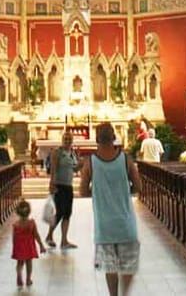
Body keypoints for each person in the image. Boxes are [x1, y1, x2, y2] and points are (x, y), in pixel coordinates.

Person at [80, 122, 142, 296]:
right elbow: (138, 187)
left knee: (110, 266)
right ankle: (124, 294)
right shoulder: (126, 159)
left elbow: (83, 191)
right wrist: (122, 189)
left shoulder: (90, 162)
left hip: (104, 224)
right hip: (125, 221)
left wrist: (99, 191)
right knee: (128, 265)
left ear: (96, 139)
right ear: (114, 137)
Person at [46, 130, 79, 249]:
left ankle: (64, 240)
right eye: (65, 139)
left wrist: (81, 165)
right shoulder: (57, 152)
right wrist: (52, 183)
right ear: (62, 140)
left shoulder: (72, 153)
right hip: (59, 185)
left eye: (69, 139)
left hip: (68, 186)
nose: (67, 141)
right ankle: (49, 236)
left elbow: (74, 169)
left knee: (67, 213)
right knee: (59, 212)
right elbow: (53, 169)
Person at [11, 199, 45, 287]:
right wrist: (41, 245)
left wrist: (14, 247)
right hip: (29, 246)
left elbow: (14, 237)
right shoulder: (31, 223)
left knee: (20, 263)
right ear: (29, 211)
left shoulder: (16, 224)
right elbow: (36, 235)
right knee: (29, 262)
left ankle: (19, 275)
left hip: (19, 246)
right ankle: (28, 279)